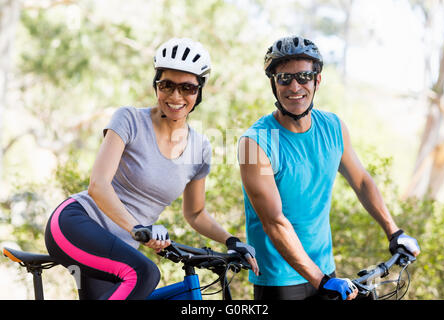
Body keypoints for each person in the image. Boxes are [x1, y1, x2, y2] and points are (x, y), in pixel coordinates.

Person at [45, 37, 258, 300]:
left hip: (117, 247)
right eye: (167, 85)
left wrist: (231, 241)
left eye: (187, 88)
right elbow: (98, 185)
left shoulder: (200, 148)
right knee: (145, 273)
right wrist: (138, 228)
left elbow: (196, 213)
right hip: (75, 222)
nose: (176, 96)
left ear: (199, 92)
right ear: (156, 85)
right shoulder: (130, 120)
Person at [238, 35, 420, 300]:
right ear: (273, 84)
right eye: (284, 79)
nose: (294, 87)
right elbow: (274, 222)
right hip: (280, 278)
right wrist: (320, 280)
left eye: (303, 77)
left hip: (325, 270)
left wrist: (394, 231)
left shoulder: (333, 127)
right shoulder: (254, 143)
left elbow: (361, 182)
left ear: (317, 80)